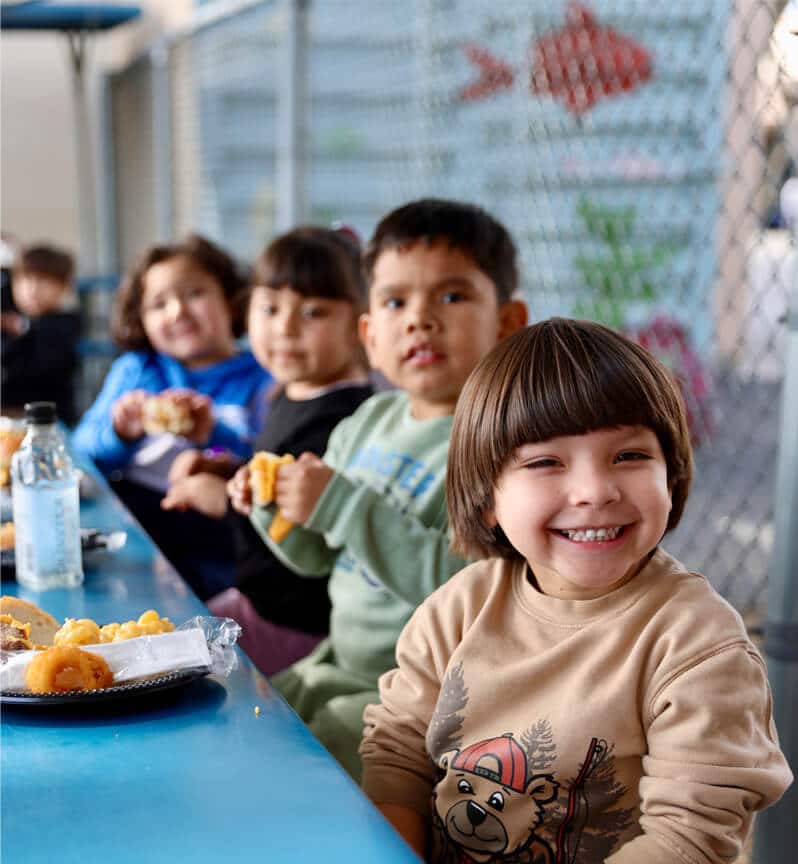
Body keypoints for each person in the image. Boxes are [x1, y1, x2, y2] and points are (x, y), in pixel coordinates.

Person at [360, 318, 793, 863]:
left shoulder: (697, 642)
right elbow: (397, 759)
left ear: (672, 474)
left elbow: (687, 838)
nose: (594, 491)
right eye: (545, 462)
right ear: (487, 497)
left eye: (630, 456)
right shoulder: (456, 611)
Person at [231, 198, 527, 779]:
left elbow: (469, 592)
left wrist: (338, 503)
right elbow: (317, 558)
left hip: (422, 694)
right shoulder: (367, 423)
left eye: (451, 296)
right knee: (234, 719)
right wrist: (276, 509)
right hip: (337, 663)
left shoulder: (503, 447)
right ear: (369, 333)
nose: (419, 319)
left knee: (279, 774)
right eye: (395, 301)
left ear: (508, 322)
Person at [160, 226, 374, 673]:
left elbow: (309, 528)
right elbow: (274, 475)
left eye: (313, 312)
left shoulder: (346, 417)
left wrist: (222, 501)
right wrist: (224, 468)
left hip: (297, 622)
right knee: (159, 640)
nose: (285, 328)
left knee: (170, 672)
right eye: (270, 308)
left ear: (360, 323)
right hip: (257, 598)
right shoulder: (289, 393)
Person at [72, 234, 270, 599]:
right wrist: (119, 430)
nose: (177, 311)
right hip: (135, 530)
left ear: (230, 299)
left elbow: (267, 458)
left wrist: (212, 434)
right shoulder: (137, 370)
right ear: (140, 320)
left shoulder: (262, 377)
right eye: (158, 304)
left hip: (219, 539)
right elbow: (81, 451)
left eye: (194, 293)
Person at [1, 243, 81, 424]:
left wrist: (22, 329)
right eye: (24, 279)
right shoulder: (9, 324)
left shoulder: (64, 324)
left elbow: (39, 368)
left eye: (43, 280)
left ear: (63, 286)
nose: (32, 288)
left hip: (50, 425)